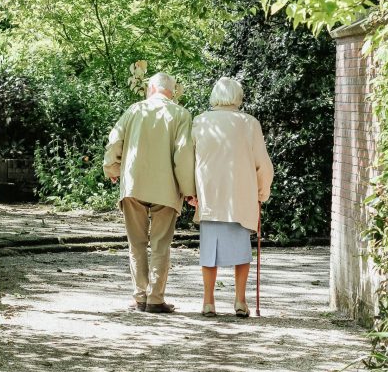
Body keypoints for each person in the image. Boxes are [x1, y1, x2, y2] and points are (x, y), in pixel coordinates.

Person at [103, 72, 196, 314]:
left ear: (151, 88)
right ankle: (155, 299)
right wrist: (189, 190)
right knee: (160, 245)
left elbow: (114, 141)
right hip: (166, 188)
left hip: (134, 185)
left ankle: (139, 296)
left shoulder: (134, 110)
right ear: (171, 91)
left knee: (136, 244)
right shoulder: (181, 114)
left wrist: (112, 168)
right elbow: (183, 154)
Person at [190, 77, 273, 317]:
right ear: (238, 97)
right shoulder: (249, 123)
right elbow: (263, 165)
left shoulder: (200, 121)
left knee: (208, 252)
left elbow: (190, 160)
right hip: (240, 196)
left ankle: (208, 302)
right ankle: (240, 300)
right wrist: (261, 192)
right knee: (242, 252)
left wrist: (190, 192)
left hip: (210, 195)